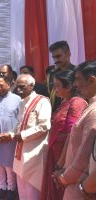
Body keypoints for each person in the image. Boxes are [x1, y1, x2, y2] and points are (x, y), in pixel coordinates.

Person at [53, 60, 96, 200]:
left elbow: (85, 154)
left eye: (77, 80)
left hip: (81, 186)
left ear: (92, 80)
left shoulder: (93, 111)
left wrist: (65, 178)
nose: (75, 84)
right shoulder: (90, 105)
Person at [41, 70, 87, 200]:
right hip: (55, 155)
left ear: (69, 86)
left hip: (65, 159)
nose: (55, 90)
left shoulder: (77, 103)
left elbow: (73, 135)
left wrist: (61, 163)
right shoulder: (65, 102)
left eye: (57, 86)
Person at [10, 74, 52, 200]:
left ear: (31, 86)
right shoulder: (22, 102)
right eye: (17, 87)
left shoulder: (42, 101)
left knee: (32, 189)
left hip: (34, 153)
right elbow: (19, 124)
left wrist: (21, 135)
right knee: (22, 188)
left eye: (22, 87)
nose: (18, 90)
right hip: (20, 151)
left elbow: (44, 126)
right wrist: (10, 134)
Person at [0, 76, 21, 200]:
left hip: (9, 140)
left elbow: (20, 121)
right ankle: (2, 188)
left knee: (9, 166)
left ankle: (11, 189)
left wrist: (11, 134)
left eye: (1, 85)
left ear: (9, 84)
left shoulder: (17, 100)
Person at [46, 41, 75, 111]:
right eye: (53, 57)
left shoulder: (77, 73)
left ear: (68, 54)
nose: (56, 60)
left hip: (72, 111)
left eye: (58, 56)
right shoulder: (51, 74)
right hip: (54, 113)